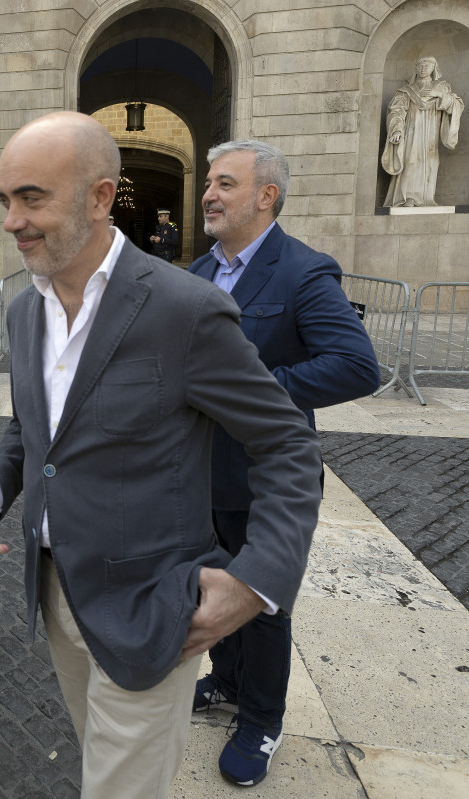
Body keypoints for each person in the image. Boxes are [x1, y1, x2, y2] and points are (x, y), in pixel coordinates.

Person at [0, 112, 323, 798]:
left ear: (100, 197)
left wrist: (255, 580)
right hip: (55, 592)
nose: (12, 220)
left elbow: (286, 443)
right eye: (5, 200)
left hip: (153, 607)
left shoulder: (185, 308)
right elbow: (37, 427)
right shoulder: (23, 310)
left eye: (32, 197)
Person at [188, 139, 380, 786]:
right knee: (214, 583)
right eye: (209, 183)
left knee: (262, 601)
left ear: (266, 195)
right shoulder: (199, 272)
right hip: (205, 472)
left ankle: (262, 719)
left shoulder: (303, 270)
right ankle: (228, 678)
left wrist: (259, 391)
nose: (208, 194)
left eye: (225, 183)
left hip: (266, 479)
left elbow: (357, 365)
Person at [381, 56, 464, 207]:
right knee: (410, 160)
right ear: (416, 68)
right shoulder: (406, 90)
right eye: (420, 65)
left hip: (430, 133)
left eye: (427, 65)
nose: (423, 68)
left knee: (430, 162)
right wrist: (396, 129)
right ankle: (407, 197)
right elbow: (396, 110)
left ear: (434, 68)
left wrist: (438, 95)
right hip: (411, 132)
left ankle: (426, 198)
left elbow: (456, 104)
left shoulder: (441, 87)